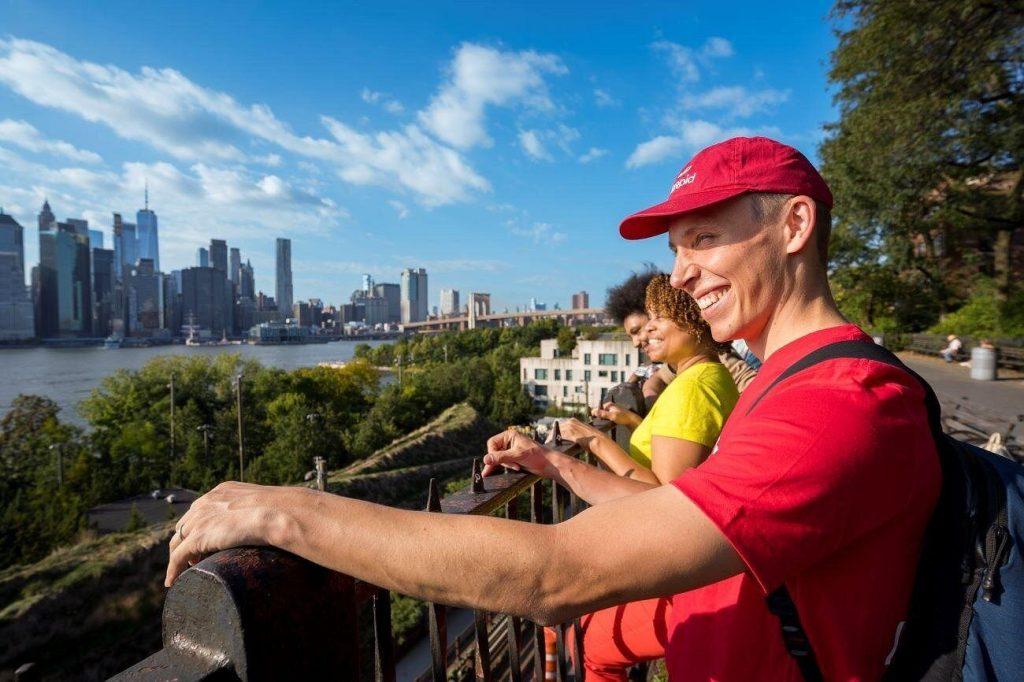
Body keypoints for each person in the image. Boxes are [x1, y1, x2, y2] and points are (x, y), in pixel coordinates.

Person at [165, 137, 940, 681]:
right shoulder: (778, 379)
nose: (683, 275)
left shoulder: (841, 405)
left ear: (795, 226)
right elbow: (686, 516)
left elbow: (557, 574)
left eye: (703, 239)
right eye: (676, 249)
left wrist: (287, 515)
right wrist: (555, 464)